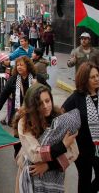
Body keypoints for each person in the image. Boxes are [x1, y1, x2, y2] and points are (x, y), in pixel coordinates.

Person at [15, 83, 79, 193]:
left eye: (47, 101)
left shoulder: (60, 118)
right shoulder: (24, 122)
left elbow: (73, 152)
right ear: (32, 106)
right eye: (39, 104)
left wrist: (48, 166)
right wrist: (62, 145)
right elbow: (35, 154)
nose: (45, 106)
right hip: (31, 175)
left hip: (55, 177)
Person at [61, 62, 99, 192]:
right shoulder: (77, 97)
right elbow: (61, 115)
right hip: (83, 148)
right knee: (84, 178)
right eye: (92, 77)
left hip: (98, 146)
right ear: (84, 79)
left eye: (97, 76)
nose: (96, 79)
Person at [0, 56, 49, 128]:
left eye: (21, 65)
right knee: (19, 136)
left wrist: (38, 85)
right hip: (18, 115)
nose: (19, 67)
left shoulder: (37, 77)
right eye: (17, 65)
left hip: (34, 114)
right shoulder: (13, 80)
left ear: (28, 66)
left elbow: (48, 89)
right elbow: (3, 97)